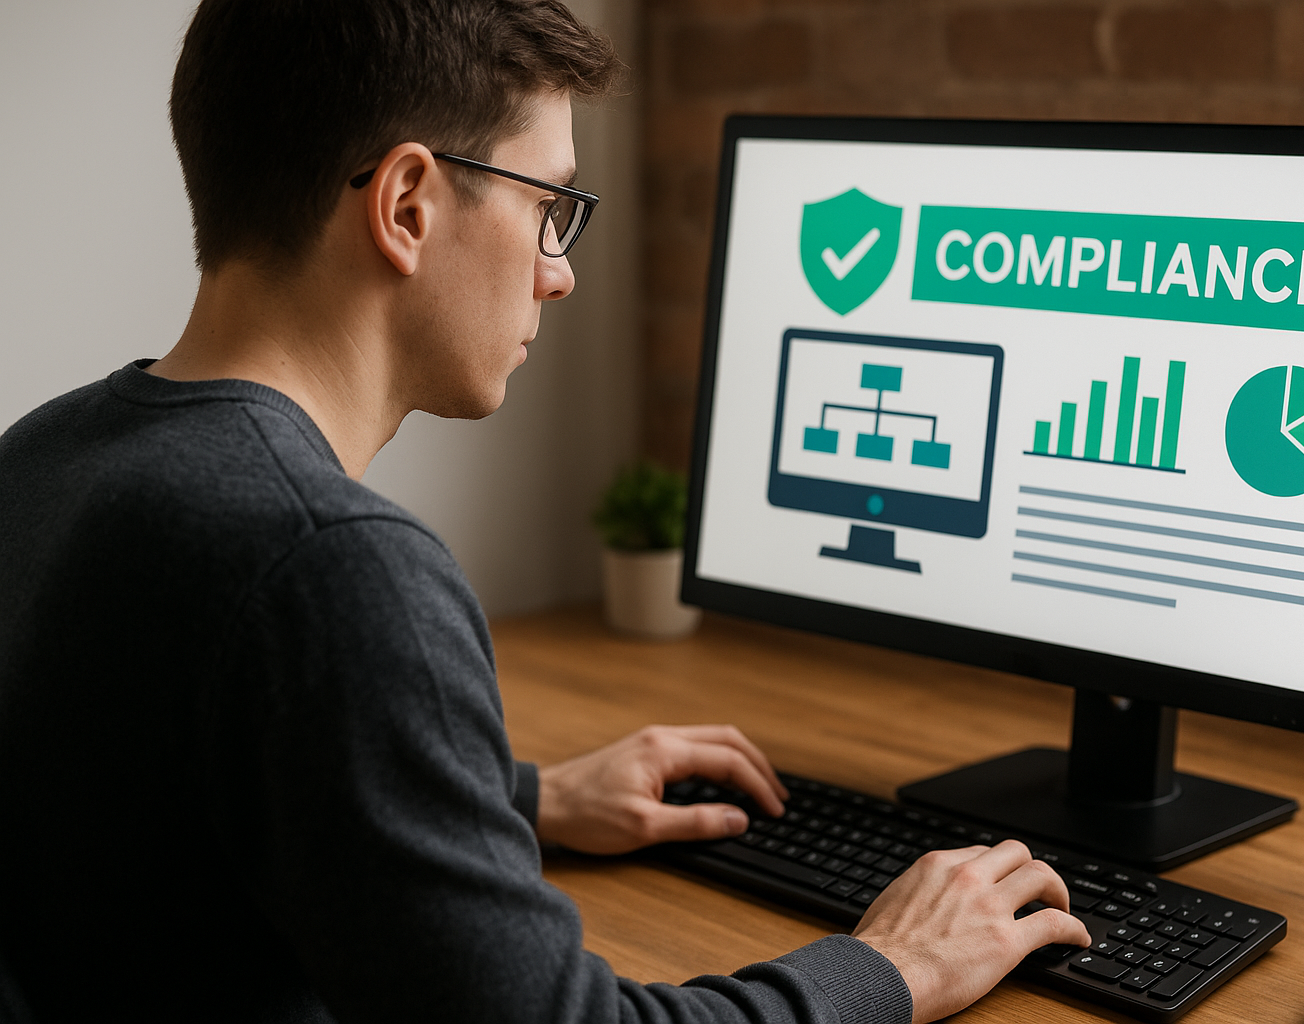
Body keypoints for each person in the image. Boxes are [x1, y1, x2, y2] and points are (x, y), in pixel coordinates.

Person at [0, 1, 1089, 1022]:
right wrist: (893, 964)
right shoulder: (329, 563)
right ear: (408, 205)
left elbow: (165, 798)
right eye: (548, 208)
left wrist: (517, 797)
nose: (559, 274)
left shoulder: (46, 455)